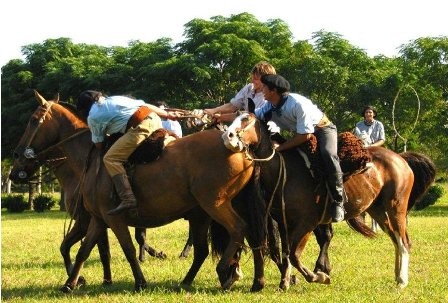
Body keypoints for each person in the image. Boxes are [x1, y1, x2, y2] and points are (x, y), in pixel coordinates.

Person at [254, 74, 346, 222]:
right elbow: (253, 116)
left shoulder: (297, 103)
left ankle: (338, 201)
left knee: (328, 154)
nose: (261, 89)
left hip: (322, 130)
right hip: (301, 133)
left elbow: (305, 136)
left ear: (273, 90)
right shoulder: (271, 104)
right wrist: (218, 115)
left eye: (264, 87)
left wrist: (281, 148)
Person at [76, 90, 180, 216]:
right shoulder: (115, 98)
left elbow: (99, 144)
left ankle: (127, 198)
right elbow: (145, 105)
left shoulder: (92, 117)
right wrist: (167, 115)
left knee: (110, 158)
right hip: (155, 119)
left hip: (141, 127)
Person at [204, 61, 277, 123]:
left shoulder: (269, 98)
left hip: (261, 133)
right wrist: (213, 111)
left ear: (266, 81)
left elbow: (250, 117)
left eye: (255, 79)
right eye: (252, 78)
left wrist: (221, 117)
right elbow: (233, 106)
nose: (252, 81)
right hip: (244, 127)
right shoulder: (249, 87)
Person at [353, 105, 385, 231]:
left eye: (371, 112)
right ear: (364, 114)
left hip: (375, 149)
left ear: (374, 114)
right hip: (363, 149)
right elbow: (357, 137)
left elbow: (382, 139)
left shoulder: (379, 125)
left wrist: (372, 146)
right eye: (367, 112)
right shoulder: (359, 124)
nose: (369, 114)